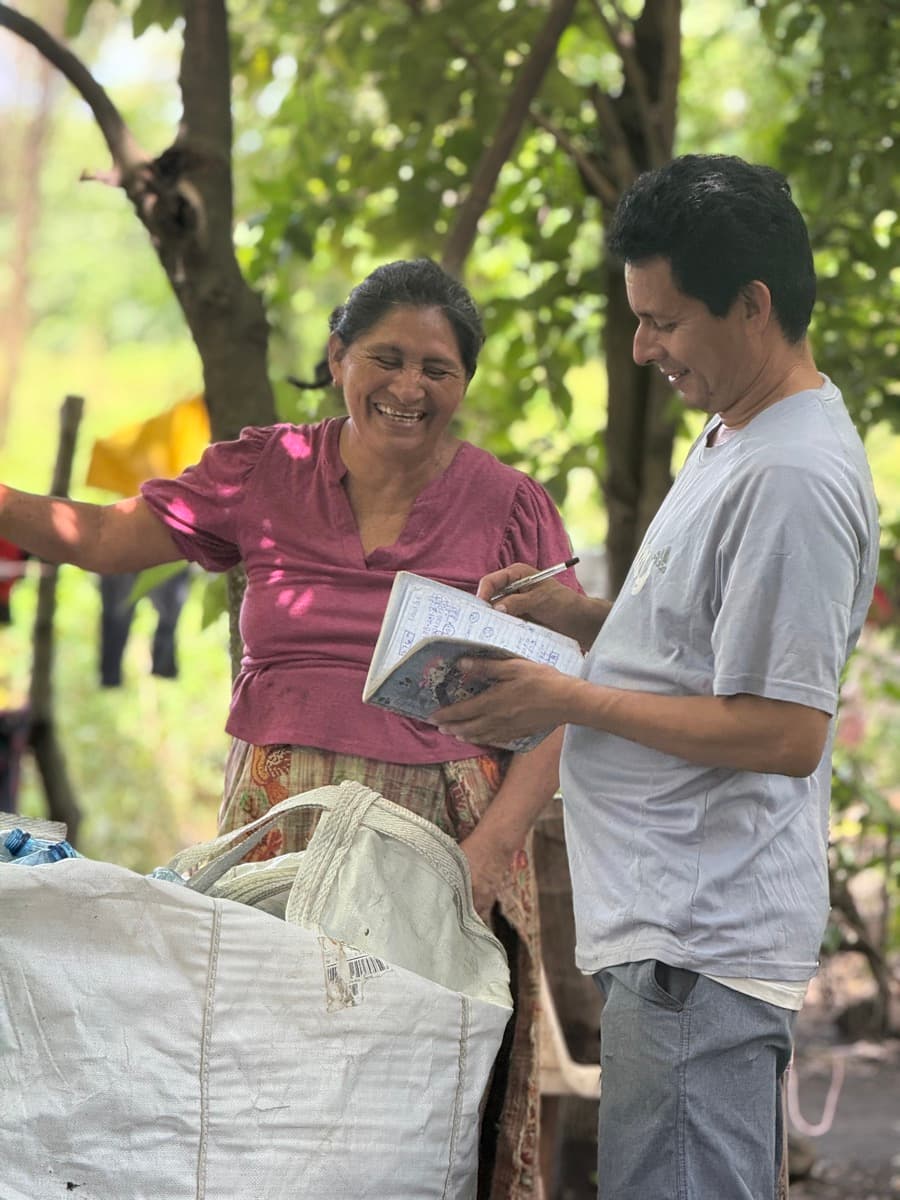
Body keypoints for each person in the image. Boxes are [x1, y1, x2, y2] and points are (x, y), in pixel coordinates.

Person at [0, 257, 580, 1199]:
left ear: (463, 385)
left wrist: (492, 845)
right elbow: (105, 540)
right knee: (274, 1099)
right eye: (386, 358)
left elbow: (564, 693)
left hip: (446, 833)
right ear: (337, 355)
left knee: (420, 1103)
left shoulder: (508, 505)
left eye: (438, 369)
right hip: (282, 823)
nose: (408, 387)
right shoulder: (266, 470)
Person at [434, 155, 880, 1199]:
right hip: (668, 941)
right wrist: (581, 620)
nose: (643, 349)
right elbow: (706, 648)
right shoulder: (734, 435)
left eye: (666, 322)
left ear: (753, 306)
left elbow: (784, 729)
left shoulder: (792, 477)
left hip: (700, 952)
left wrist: (566, 697)